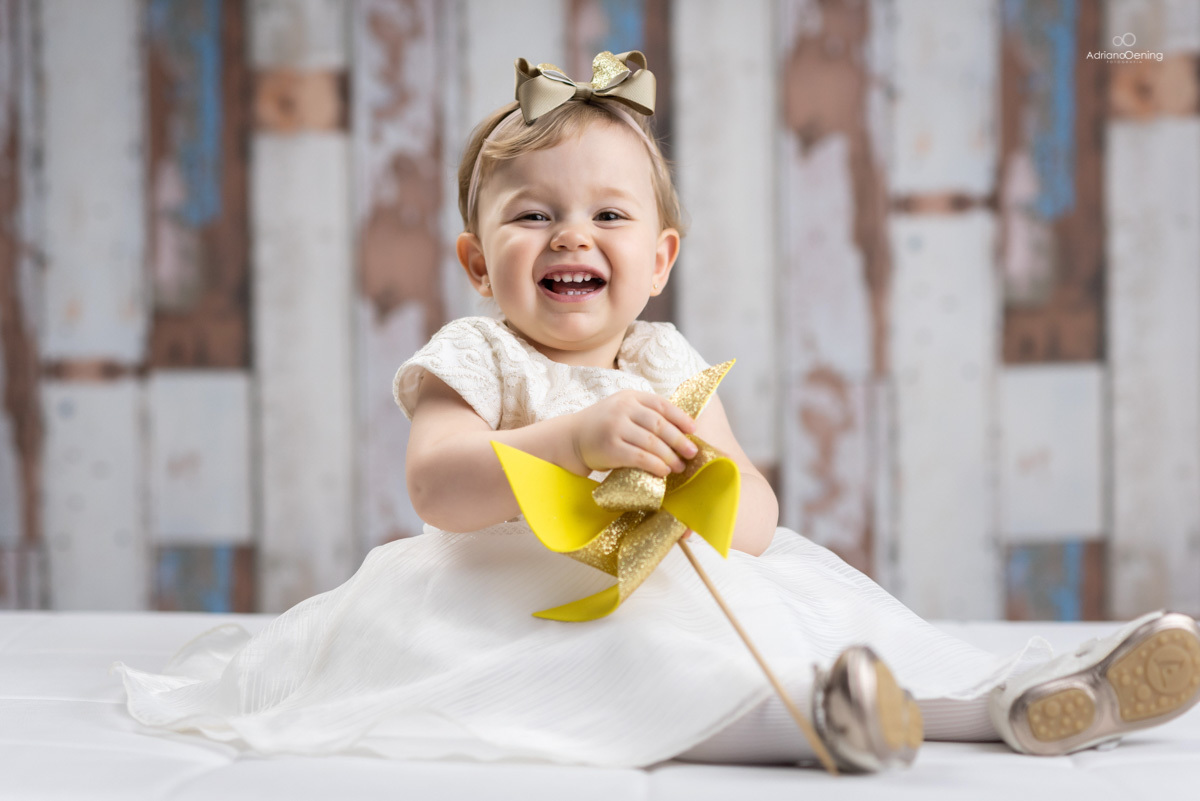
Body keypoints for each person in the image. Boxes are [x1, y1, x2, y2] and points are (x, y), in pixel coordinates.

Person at [112, 51, 1200, 773]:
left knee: (831, 617)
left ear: (659, 259)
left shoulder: (664, 357)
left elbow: (758, 523)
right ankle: (824, 722)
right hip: (517, 597)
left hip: (671, 573)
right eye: (532, 215)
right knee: (655, 676)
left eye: (608, 214)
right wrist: (574, 440)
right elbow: (438, 488)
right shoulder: (476, 353)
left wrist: (701, 485)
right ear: (479, 265)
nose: (571, 236)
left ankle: (1022, 699)